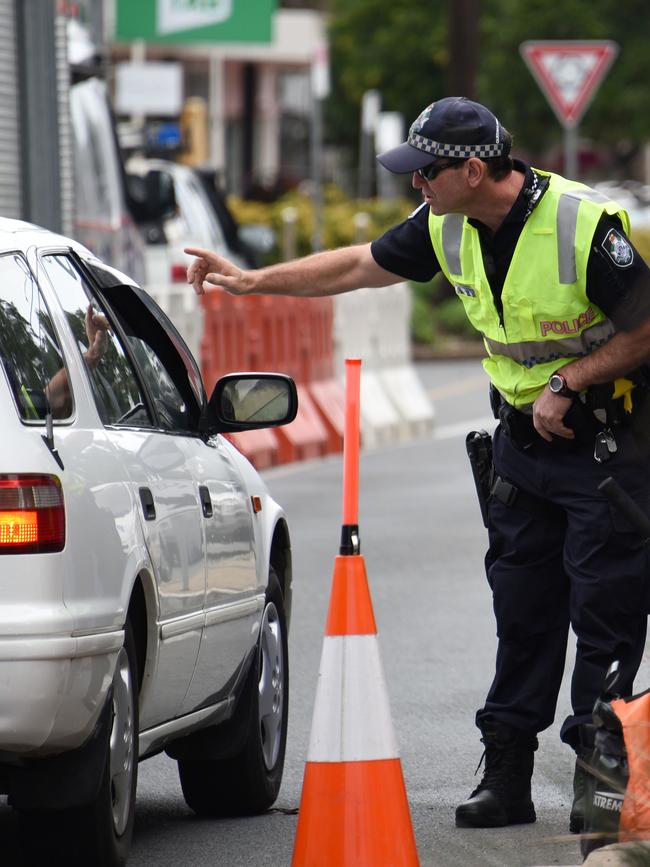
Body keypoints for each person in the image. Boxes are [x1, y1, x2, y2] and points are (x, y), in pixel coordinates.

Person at [185, 96, 650, 833]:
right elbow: (360, 265)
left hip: (608, 448)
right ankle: (507, 774)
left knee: (607, 615)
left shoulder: (580, 226)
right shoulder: (449, 224)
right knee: (521, 616)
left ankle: (602, 788)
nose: (415, 185)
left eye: (425, 171)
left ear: (472, 168)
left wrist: (569, 382)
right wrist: (250, 280)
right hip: (524, 451)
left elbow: (644, 328)